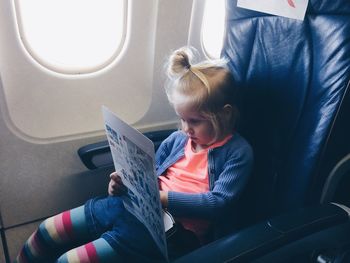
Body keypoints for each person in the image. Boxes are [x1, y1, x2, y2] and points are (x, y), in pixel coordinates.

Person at [14, 46, 253, 263]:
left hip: (169, 232)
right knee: (47, 231)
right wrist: (122, 184)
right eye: (182, 119)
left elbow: (217, 204)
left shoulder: (237, 153)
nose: (185, 128)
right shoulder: (178, 139)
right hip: (133, 207)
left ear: (224, 114)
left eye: (195, 121)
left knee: (67, 261)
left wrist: (161, 198)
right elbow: (148, 175)